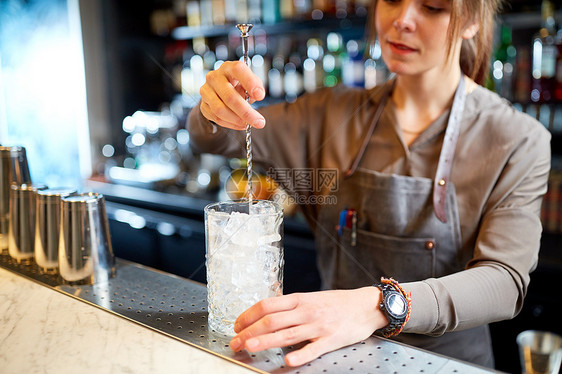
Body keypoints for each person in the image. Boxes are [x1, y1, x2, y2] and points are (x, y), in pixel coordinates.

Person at [187, 0, 551, 368]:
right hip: (335, 361)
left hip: (446, 365)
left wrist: (379, 305)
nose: (402, 20)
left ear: (471, 20)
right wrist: (215, 105)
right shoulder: (329, 113)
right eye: (392, 0)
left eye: (431, 6)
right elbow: (213, 139)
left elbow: (504, 283)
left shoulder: (516, 139)